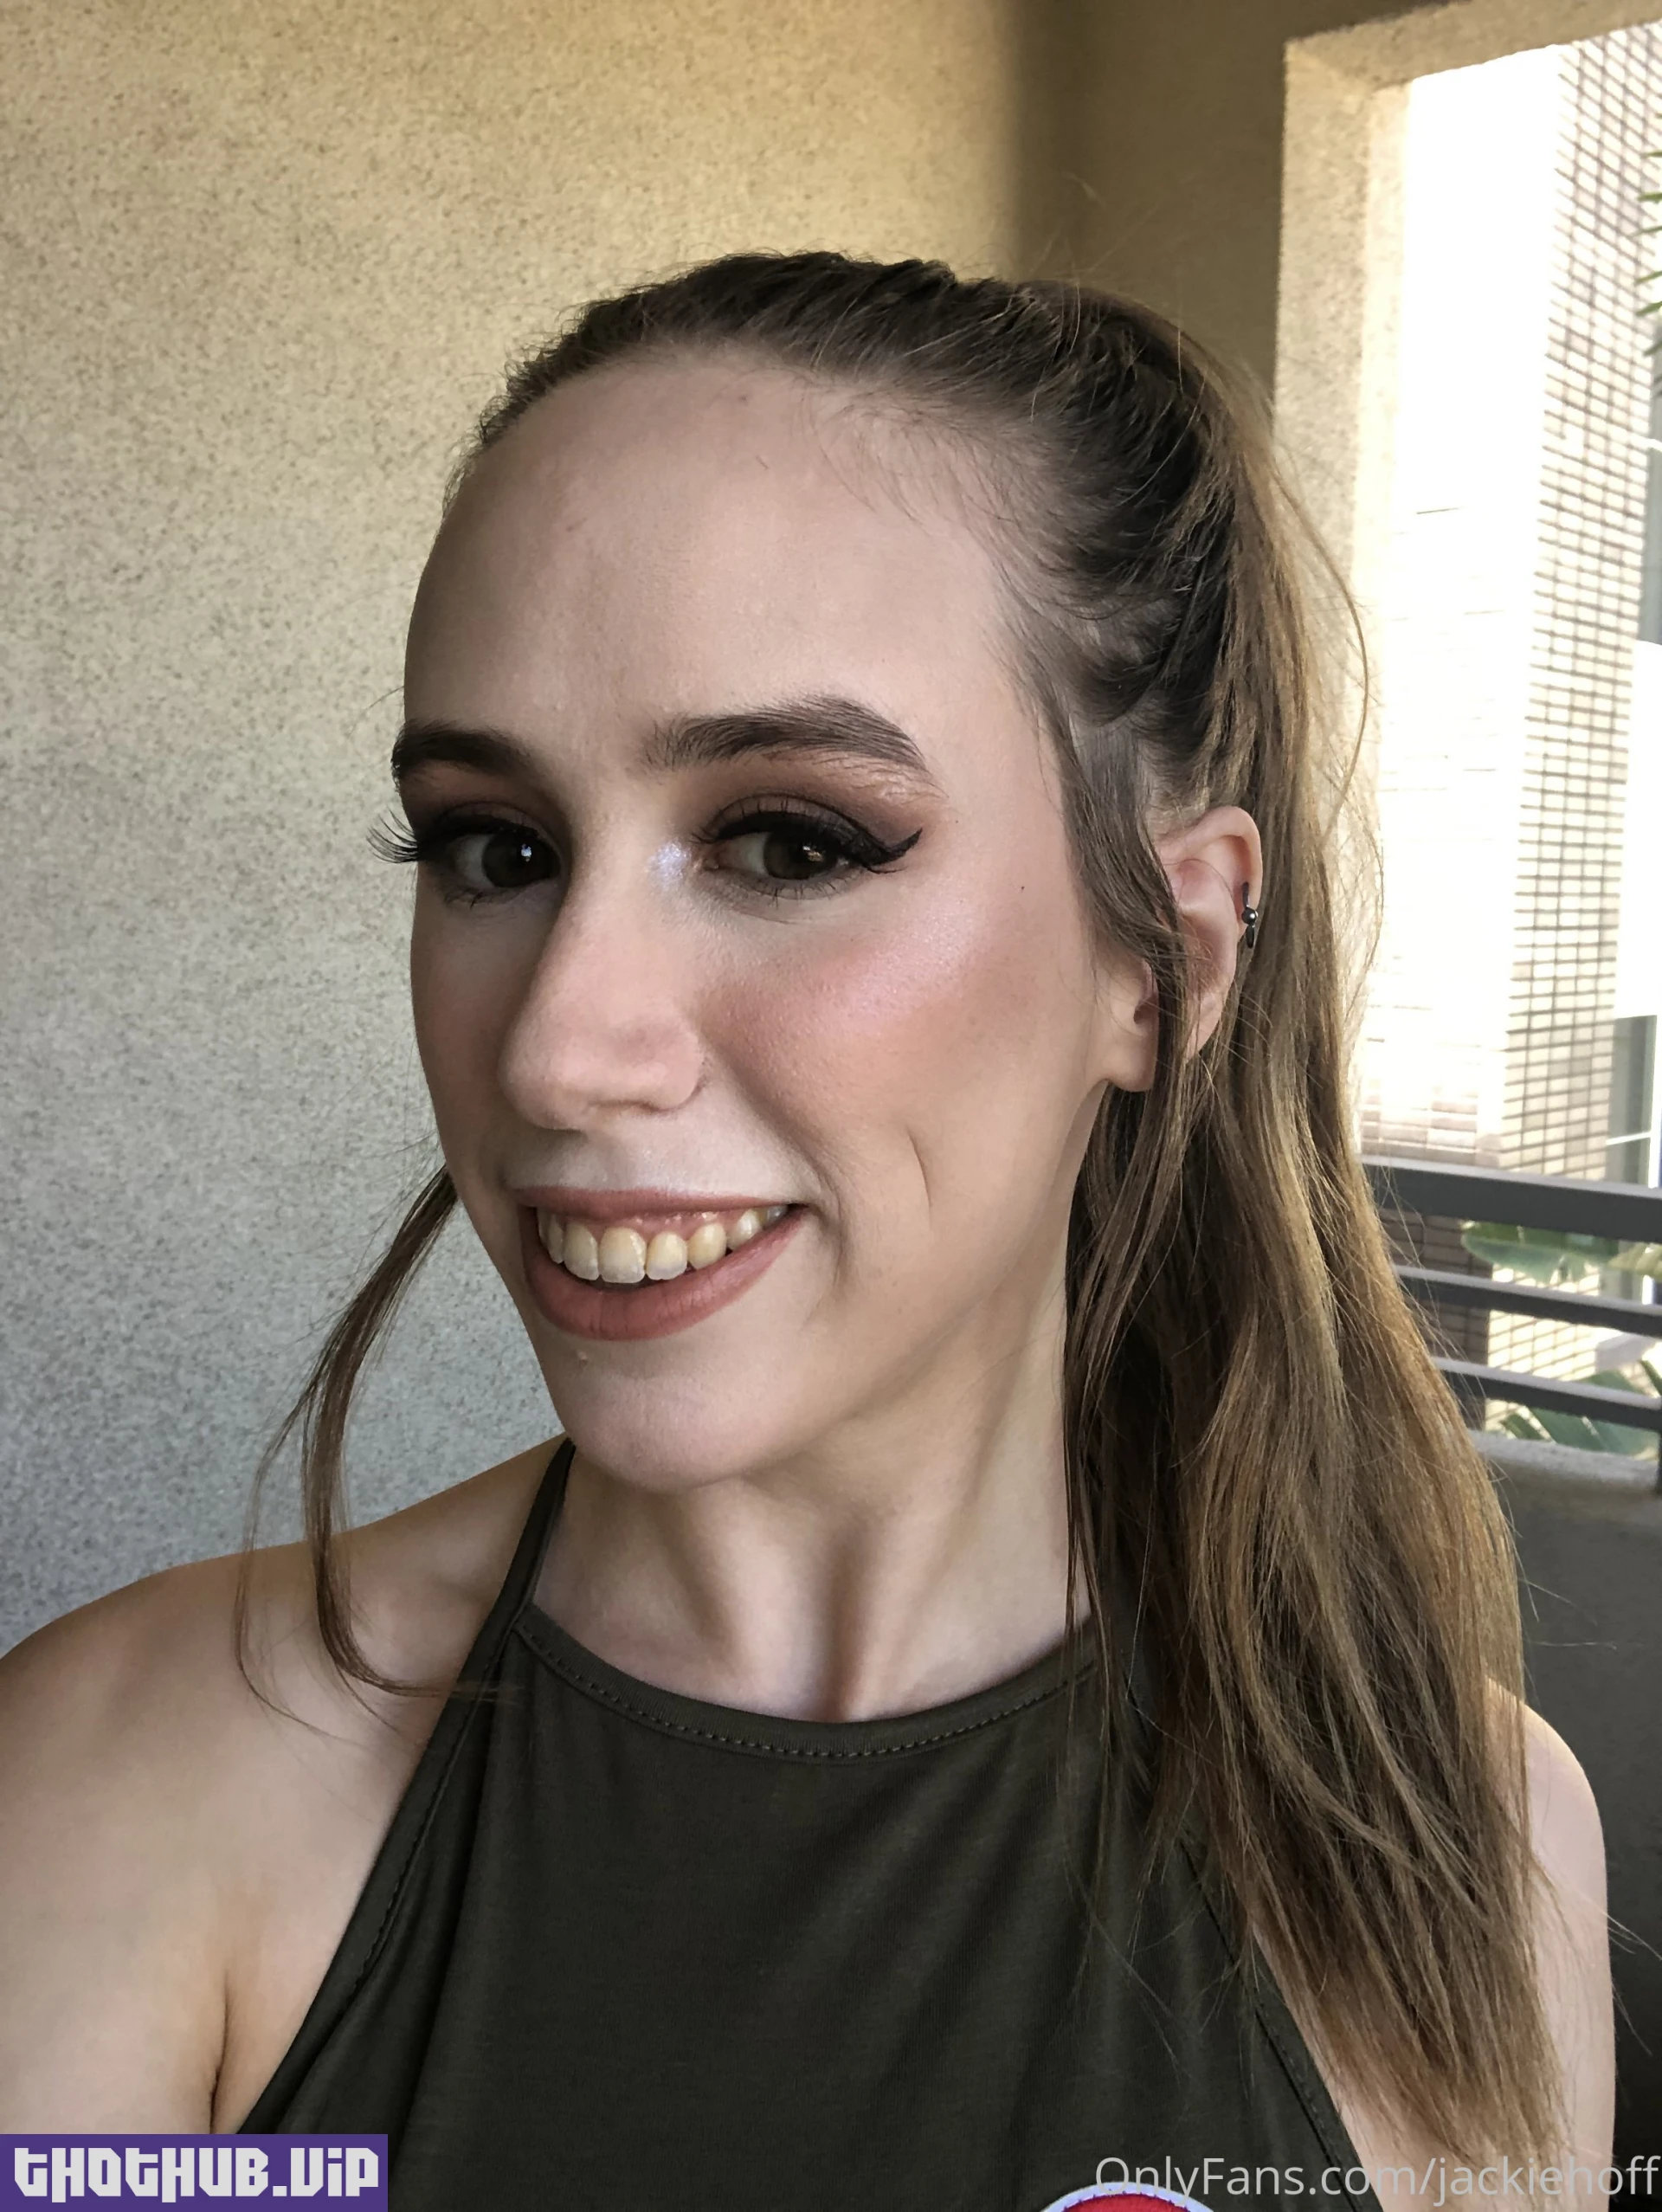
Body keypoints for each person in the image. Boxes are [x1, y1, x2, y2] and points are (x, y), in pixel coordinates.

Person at [0, 252, 1613, 2208]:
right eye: (497, 847)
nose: (558, 1044)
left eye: (790, 841)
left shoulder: (1464, 1845)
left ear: (1167, 955)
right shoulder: (121, 1786)